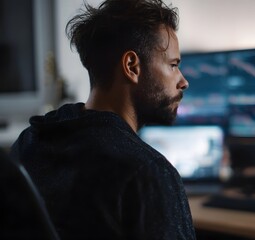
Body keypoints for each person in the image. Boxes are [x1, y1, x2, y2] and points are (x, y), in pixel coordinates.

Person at [9, 0, 196, 239]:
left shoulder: (30, 143)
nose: (183, 81)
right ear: (132, 66)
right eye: (173, 65)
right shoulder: (148, 173)